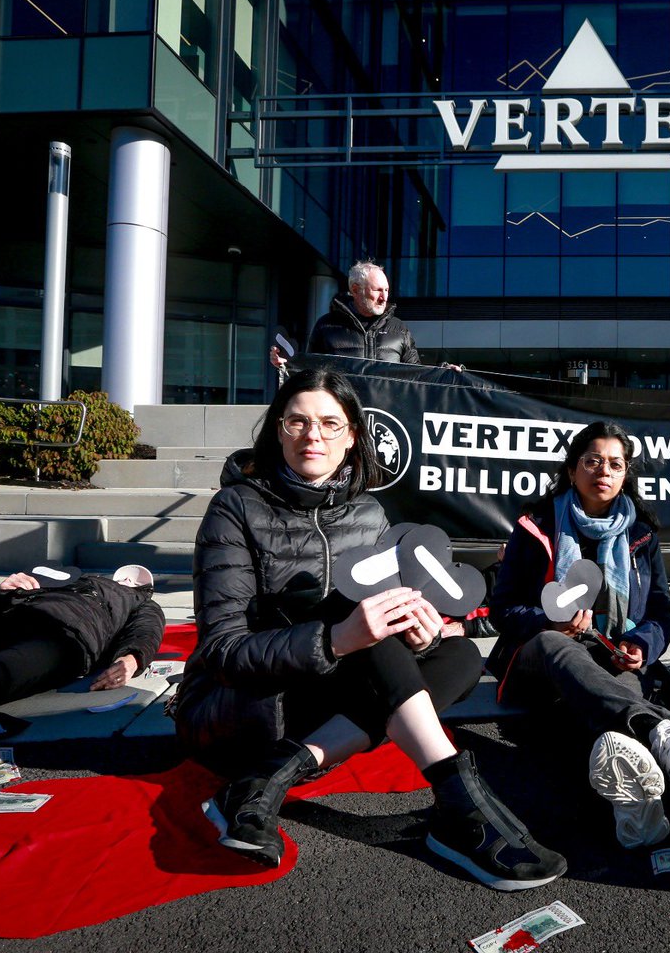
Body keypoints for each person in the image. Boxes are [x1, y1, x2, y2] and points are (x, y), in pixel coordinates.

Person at [174, 368, 564, 890]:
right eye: (298, 422)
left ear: (353, 436)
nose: (314, 436)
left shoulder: (369, 513)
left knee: (459, 655)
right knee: (355, 622)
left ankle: (268, 777)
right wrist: (337, 638)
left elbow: (386, 626)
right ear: (277, 431)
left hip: (323, 698)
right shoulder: (235, 507)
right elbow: (222, 653)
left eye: (331, 424)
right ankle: (458, 804)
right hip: (241, 708)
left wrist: (416, 632)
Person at [488, 421, 670, 850]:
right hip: (537, 659)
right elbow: (502, 609)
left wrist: (643, 645)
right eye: (593, 461)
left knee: (610, 714)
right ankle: (665, 734)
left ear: (625, 474)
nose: (604, 470)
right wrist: (548, 621)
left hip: (610, 655)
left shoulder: (641, 534)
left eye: (615, 464)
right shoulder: (535, 526)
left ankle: (636, 811)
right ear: (572, 468)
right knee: (555, 645)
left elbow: (660, 611)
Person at [0, 564, 164, 750]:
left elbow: (147, 630)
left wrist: (132, 658)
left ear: (144, 591)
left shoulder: (140, 603)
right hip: (12, 612)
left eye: (136, 581)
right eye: (126, 576)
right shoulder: (69, 578)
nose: (128, 579)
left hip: (64, 634)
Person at [270, 262, 420, 370]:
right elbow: (311, 375)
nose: (384, 297)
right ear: (355, 289)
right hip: (343, 412)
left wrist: (442, 374)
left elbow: (418, 376)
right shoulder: (326, 326)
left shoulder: (400, 329)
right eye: (378, 290)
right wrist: (288, 365)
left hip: (388, 413)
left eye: (386, 290)